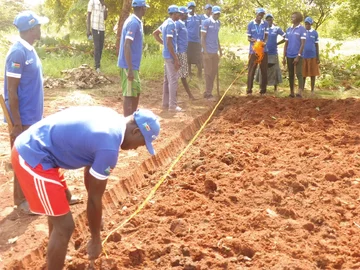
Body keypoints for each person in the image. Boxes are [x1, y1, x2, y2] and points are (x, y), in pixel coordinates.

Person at [11, 107, 160, 270]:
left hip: (44, 150)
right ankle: (55, 255)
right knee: (65, 226)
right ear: (136, 131)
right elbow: (94, 198)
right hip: (32, 156)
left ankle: (55, 253)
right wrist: (96, 239)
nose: (137, 148)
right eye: (142, 143)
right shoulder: (109, 147)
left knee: (63, 202)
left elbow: (91, 175)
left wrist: (96, 220)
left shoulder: (112, 120)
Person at [4, 11, 48, 211]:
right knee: (21, 158)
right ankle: (21, 201)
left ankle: (33, 196)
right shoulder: (17, 53)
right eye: (38, 26)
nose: (40, 29)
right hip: (23, 118)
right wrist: (17, 124)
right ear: (31, 29)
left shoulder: (30, 49)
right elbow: (11, 91)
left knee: (32, 157)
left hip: (34, 115)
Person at [118, 0, 149, 117]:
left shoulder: (136, 21)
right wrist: (130, 68)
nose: (145, 10)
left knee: (136, 92)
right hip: (128, 65)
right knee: (129, 94)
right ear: (142, 8)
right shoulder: (133, 23)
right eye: (145, 8)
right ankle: (127, 122)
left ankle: (133, 118)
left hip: (133, 65)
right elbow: (127, 44)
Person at [160, 5, 182, 112]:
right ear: (174, 14)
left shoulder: (165, 22)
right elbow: (169, 42)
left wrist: (163, 44)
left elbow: (155, 34)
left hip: (166, 55)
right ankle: (172, 105)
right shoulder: (171, 24)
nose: (179, 15)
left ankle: (165, 103)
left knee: (166, 80)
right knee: (173, 80)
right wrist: (176, 58)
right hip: (170, 56)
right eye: (178, 13)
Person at [256, 13, 285, 93]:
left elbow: (286, 37)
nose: (269, 20)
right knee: (262, 69)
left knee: (274, 70)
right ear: (265, 20)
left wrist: (277, 43)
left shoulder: (276, 29)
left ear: (273, 20)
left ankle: (275, 88)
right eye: (267, 19)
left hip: (273, 52)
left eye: (270, 19)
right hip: (263, 53)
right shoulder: (262, 28)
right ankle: (262, 87)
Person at [283, 12, 306, 98]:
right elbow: (286, 44)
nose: (292, 18)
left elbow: (302, 44)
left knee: (299, 73)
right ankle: (291, 92)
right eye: (291, 17)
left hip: (298, 55)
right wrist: (284, 57)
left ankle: (300, 92)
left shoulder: (302, 29)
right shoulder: (289, 29)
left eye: (293, 17)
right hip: (289, 55)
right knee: (291, 74)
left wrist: (298, 55)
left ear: (298, 18)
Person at [201, 6, 222, 101]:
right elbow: (202, 38)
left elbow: (216, 37)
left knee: (213, 72)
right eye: (215, 14)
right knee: (208, 73)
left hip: (214, 51)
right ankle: (208, 93)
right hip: (207, 51)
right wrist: (205, 52)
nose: (217, 15)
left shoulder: (218, 23)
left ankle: (209, 91)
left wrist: (220, 49)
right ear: (212, 13)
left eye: (218, 14)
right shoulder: (206, 22)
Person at [246, 7, 269, 95]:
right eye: (259, 14)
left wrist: (264, 42)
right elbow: (248, 37)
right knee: (251, 70)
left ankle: (263, 90)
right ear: (256, 14)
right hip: (253, 50)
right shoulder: (251, 24)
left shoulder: (265, 24)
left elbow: (266, 36)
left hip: (263, 50)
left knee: (264, 70)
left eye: (262, 14)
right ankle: (249, 90)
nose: (260, 16)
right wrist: (253, 40)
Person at [176, 6, 195, 100]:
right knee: (178, 75)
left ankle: (189, 95)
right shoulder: (177, 24)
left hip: (183, 51)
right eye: (186, 13)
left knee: (182, 75)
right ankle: (189, 95)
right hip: (179, 52)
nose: (187, 15)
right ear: (181, 14)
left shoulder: (183, 23)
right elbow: (173, 39)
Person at [87, 0, 108, 73]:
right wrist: (88, 30)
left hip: (102, 28)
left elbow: (105, 18)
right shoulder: (92, 2)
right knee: (97, 47)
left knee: (101, 47)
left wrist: (105, 8)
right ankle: (97, 66)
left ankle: (98, 65)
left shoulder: (104, 4)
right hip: (94, 28)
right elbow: (88, 15)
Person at [302, 17, 320, 93]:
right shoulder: (302, 32)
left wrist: (318, 57)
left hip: (313, 56)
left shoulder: (314, 33)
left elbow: (316, 45)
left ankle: (312, 90)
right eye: (306, 23)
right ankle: (301, 89)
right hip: (303, 56)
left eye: (308, 24)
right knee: (303, 74)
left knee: (313, 74)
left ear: (311, 24)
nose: (307, 25)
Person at [186, 1, 202, 78]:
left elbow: (200, 30)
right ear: (188, 9)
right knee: (188, 58)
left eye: (193, 7)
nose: (191, 9)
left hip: (197, 41)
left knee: (198, 58)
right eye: (190, 8)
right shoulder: (186, 18)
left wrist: (200, 39)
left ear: (195, 8)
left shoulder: (198, 18)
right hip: (188, 41)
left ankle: (199, 74)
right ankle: (189, 73)